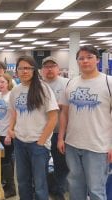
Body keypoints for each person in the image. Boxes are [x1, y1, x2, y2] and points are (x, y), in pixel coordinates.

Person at [58, 45, 112, 200]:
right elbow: (64, 113)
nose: (85, 61)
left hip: (98, 147)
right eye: (81, 58)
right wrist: (61, 138)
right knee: (75, 187)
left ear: (97, 60)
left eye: (89, 57)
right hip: (73, 145)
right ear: (77, 62)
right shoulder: (71, 83)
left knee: (96, 189)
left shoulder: (108, 82)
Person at [8, 55, 59, 200]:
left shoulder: (43, 88)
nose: (24, 71)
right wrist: (11, 129)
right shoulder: (15, 91)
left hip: (38, 145)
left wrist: (41, 141)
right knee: (23, 183)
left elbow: (53, 117)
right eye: (21, 68)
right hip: (19, 143)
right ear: (16, 71)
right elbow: (14, 112)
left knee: (40, 185)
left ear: (34, 70)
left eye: (28, 68)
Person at [41, 56, 69, 200]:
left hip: (60, 132)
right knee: (42, 164)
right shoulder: (38, 85)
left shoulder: (67, 83)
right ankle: (44, 190)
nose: (49, 69)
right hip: (42, 133)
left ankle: (59, 192)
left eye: (52, 66)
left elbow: (68, 107)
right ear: (42, 70)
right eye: (46, 66)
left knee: (61, 164)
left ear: (58, 69)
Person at [0, 74, 16, 198]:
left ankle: (11, 188)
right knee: (2, 159)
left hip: (8, 133)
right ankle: (5, 184)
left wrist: (9, 134)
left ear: (8, 82)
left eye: (2, 82)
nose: (0, 84)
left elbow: (14, 116)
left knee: (7, 160)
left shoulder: (11, 95)